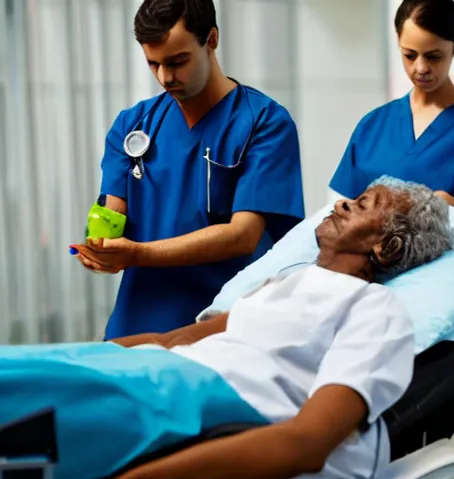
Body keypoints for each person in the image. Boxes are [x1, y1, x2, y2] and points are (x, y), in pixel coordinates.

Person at [5, 179, 449, 479]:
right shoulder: (284, 284)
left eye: (361, 205)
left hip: (192, 397)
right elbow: (171, 339)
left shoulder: (376, 309)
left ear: (385, 247)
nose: (340, 203)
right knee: (21, 367)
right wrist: (76, 354)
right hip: (158, 368)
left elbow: (309, 442)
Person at [72, 0, 305, 339]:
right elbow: (111, 216)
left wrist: (137, 253)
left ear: (211, 39)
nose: (165, 77)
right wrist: (101, 249)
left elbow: (243, 235)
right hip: (135, 324)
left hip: (225, 327)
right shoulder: (132, 125)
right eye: (153, 64)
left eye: (178, 62)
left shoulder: (264, 123)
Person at [330, 0, 454, 214]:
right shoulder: (372, 126)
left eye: (434, 57)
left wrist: (444, 207)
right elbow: (344, 216)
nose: (421, 68)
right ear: (398, 42)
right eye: (409, 55)